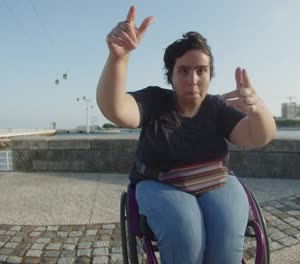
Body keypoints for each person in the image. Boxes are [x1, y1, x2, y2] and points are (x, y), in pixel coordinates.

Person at [96, 5, 276, 264]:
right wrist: (118, 59)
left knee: (226, 239)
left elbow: (258, 136)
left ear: (209, 76)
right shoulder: (155, 101)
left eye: (201, 70)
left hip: (216, 180)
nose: (193, 78)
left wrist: (258, 110)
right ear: (170, 75)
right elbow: (116, 110)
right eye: (183, 70)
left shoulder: (217, 107)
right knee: (185, 230)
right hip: (158, 183)